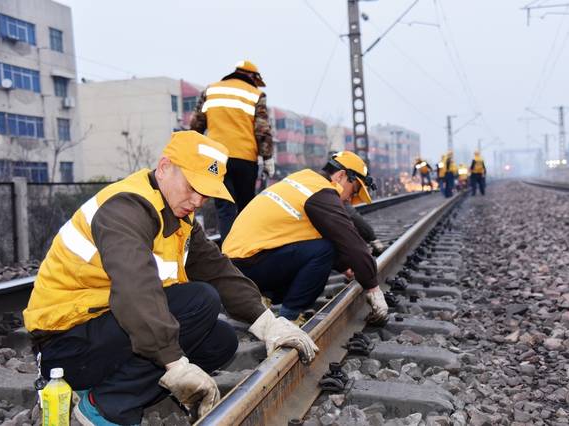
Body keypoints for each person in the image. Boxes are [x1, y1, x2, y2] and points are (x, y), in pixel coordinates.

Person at [23, 131, 317, 426]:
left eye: (206, 193)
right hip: (64, 347)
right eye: (193, 187)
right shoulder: (124, 209)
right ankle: (105, 407)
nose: (199, 200)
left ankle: (114, 388)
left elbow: (217, 270)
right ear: (164, 168)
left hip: (106, 333)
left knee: (221, 341)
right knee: (199, 301)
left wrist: (269, 324)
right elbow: (136, 292)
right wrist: (175, 363)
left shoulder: (178, 217)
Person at [222, 151, 389, 325]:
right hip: (248, 264)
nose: (349, 198)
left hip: (235, 266)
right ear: (341, 176)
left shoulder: (304, 180)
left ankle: (261, 295)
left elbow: (311, 235)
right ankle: (288, 319)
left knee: (323, 248)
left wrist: (344, 266)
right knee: (325, 250)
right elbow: (350, 240)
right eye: (354, 191)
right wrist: (373, 288)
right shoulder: (321, 192)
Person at [190, 60, 273, 239]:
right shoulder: (256, 95)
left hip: (216, 158)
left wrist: (191, 149)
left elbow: (196, 124)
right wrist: (267, 158)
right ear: (252, 76)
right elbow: (262, 129)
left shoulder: (210, 91)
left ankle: (230, 252)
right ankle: (247, 248)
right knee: (245, 207)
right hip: (245, 159)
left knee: (225, 207)